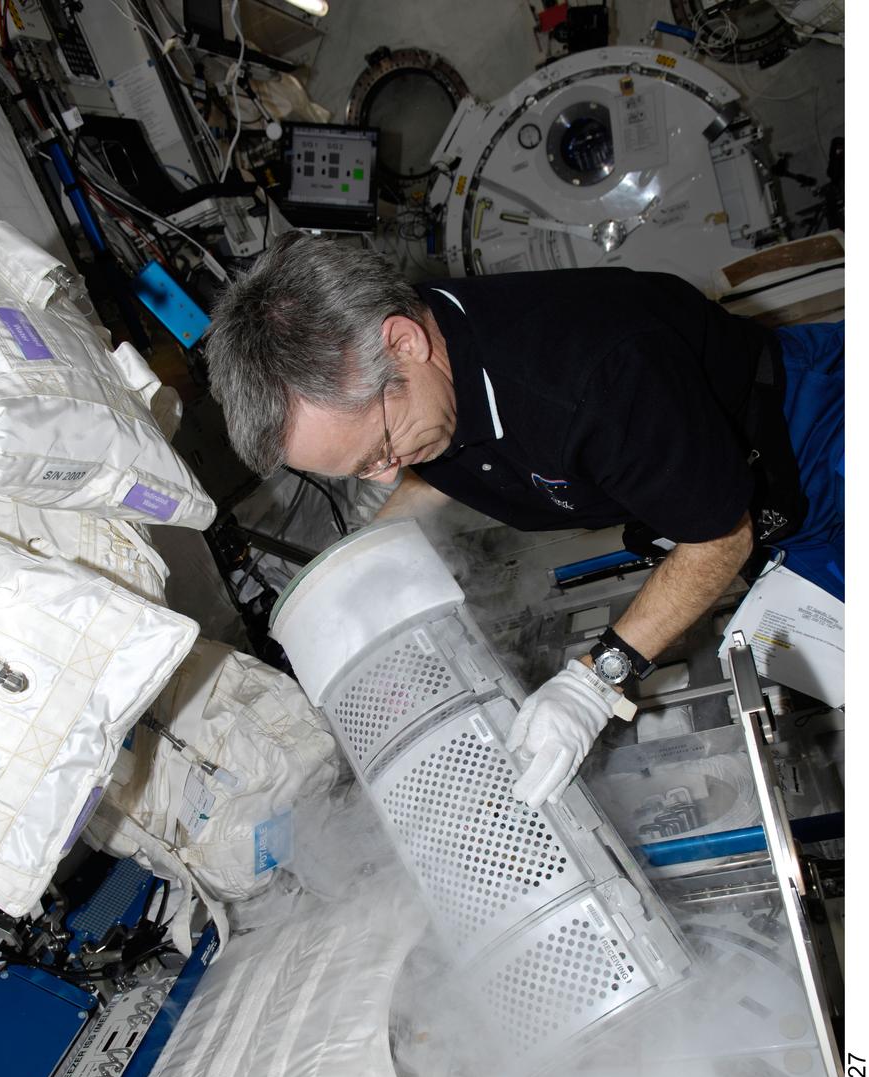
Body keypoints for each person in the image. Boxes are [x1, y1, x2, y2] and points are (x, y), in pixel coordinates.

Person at [206, 231, 844, 810]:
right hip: (740, 493)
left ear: (404, 342)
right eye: (358, 469)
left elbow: (720, 536)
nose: (383, 473)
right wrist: (370, 559)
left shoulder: (591, 377)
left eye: (382, 449)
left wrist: (596, 683)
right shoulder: (427, 374)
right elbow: (428, 471)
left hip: (820, 437)